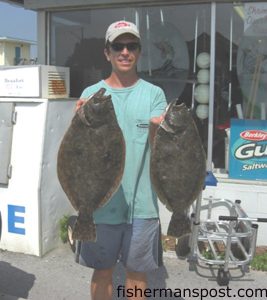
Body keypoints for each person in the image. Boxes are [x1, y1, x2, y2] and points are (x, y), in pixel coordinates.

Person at [76, 20, 167, 300]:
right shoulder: (90, 96)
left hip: (142, 205)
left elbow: (163, 152)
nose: (125, 52)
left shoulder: (154, 95)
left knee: (137, 274)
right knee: (102, 271)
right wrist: (74, 124)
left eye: (131, 46)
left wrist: (157, 129)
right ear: (107, 52)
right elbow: (76, 155)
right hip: (100, 205)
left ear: (139, 52)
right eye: (118, 46)